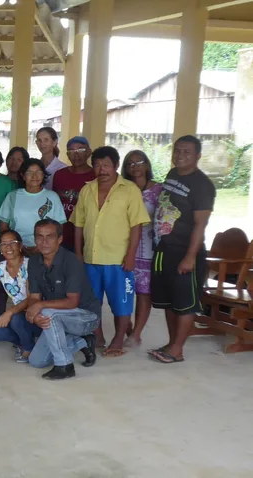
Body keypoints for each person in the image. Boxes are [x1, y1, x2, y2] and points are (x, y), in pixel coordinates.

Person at [72, 146, 150, 357]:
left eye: (106, 165)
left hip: (118, 259)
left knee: (122, 302)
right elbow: (78, 224)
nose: (102, 170)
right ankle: (98, 336)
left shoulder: (129, 190)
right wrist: (78, 253)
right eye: (97, 165)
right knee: (92, 301)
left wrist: (131, 255)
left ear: (115, 165)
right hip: (91, 257)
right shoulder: (87, 190)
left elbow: (136, 226)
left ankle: (118, 339)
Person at [148, 135, 215, 364]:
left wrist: (190, 257)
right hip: (164, 248)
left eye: (187, 152)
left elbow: (200, 225)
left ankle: (177, 350)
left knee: (185, 303)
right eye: (177, 151)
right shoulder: (173, 174)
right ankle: (172, 343)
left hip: (185, 251)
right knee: (169, 301)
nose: (180, 155)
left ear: (198, 156)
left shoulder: (203, 185)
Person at [26, 219, 100, 380]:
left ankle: (65, 366)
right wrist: (35, 313)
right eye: (39, 237)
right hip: (57, 317)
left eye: (50, 236)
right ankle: (83, 342)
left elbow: (72, 302)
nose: (44, 241)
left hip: (86, 317)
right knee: (37, 361)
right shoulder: (34, 261)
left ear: (60, 239)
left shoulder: (71, 261)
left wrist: (39, 307)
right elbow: (34, 297)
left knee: (47, 312)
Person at [122, 150, 163, 346]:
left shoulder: (159, 190)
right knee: (122, 290)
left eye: (139, 162)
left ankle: (136, 333)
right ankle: (126, 325)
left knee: (143, 292)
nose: (135, 166)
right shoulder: (122, 189)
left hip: (148, 248)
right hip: (124, 246)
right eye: (130, 163)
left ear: (147, 165)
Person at [0, 229, 40, 363]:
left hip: (35, 314)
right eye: (4, 244)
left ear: (20, 245)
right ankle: (25, 342)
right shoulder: (0, 268)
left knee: (15, 319)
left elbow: (31, 298)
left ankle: (28, 348)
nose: (8, 247)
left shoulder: (30, 265)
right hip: (18, 314)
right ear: (0, 248)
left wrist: (9, 312)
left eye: (12, 242)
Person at [0, 158, 66, 251]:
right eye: (29, 172)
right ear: (23, 175)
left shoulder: (52, 196)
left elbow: (59, 226)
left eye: (38, 172)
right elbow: (3, 226)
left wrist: (42, 246)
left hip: (45, 248)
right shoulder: (12, 196)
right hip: (17, 249)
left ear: (43, 175)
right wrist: (15, 245)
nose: (34, 176)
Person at [52, 136, 95, 251]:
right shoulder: (59, 175)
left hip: (87, 237)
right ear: (67, 154)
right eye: (71, 151)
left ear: (89, 152)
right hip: (61, 236)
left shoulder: (96, 176)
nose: (76, 154)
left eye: (80, 150)